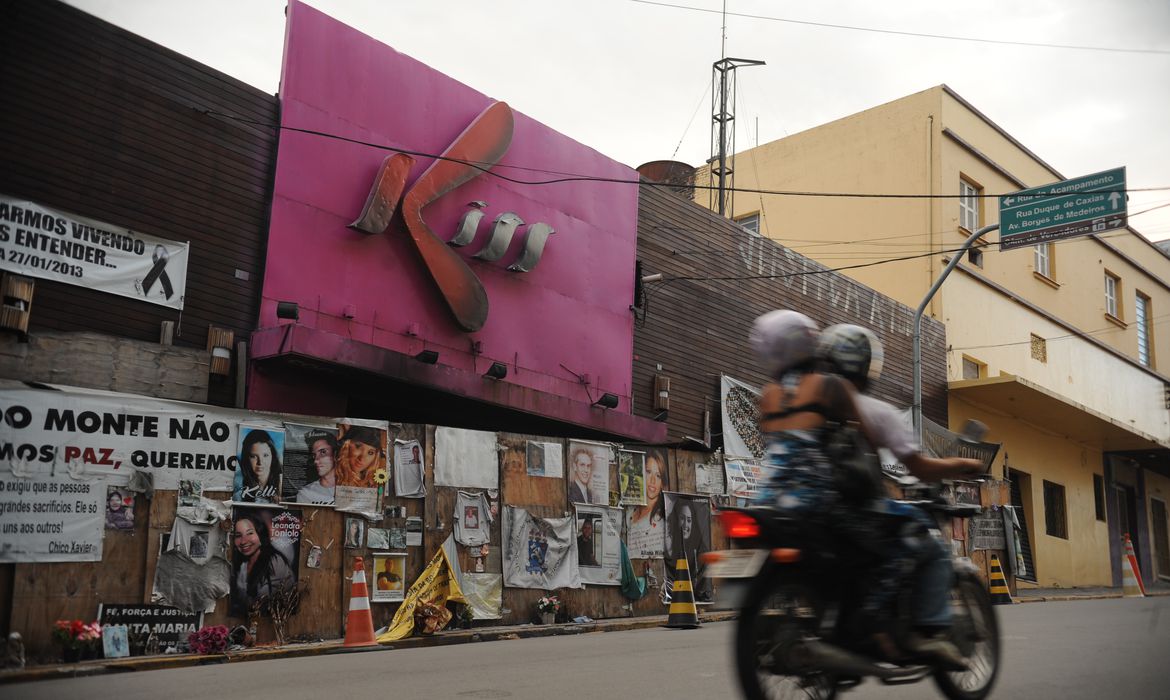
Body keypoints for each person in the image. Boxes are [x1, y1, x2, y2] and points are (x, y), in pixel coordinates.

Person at [816, 323, 984, 668]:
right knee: (930, 546)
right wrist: (962, 463)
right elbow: (919, 467)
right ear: (866, 366)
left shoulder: (804, 407)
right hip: (858, 511)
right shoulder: (877, 411)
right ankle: (924, 633)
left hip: (814, 509)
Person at [231, 512, 295, 616]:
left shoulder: (275, 562)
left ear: (261, 534)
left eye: (250, 533)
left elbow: (260, 606)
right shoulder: (242, 563)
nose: (243, 541)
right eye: (238, 535)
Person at [626, 450, 667, 556]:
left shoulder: (660, 520)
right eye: (648, 472)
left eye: (658, 476)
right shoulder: (630, 510)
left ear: (662, 483)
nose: (653, 480)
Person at [237, 430, 282, 503]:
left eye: (265, 455)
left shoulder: (282, 484)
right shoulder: (240, 491)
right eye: (254, 456)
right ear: (246, 458)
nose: (260, 462)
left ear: (272, 456)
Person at [296, 429, 338, 504]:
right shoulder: (305, 493)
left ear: (335, 454)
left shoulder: (350, 487)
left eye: (323, 452)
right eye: (314, 455)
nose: (316, 460)